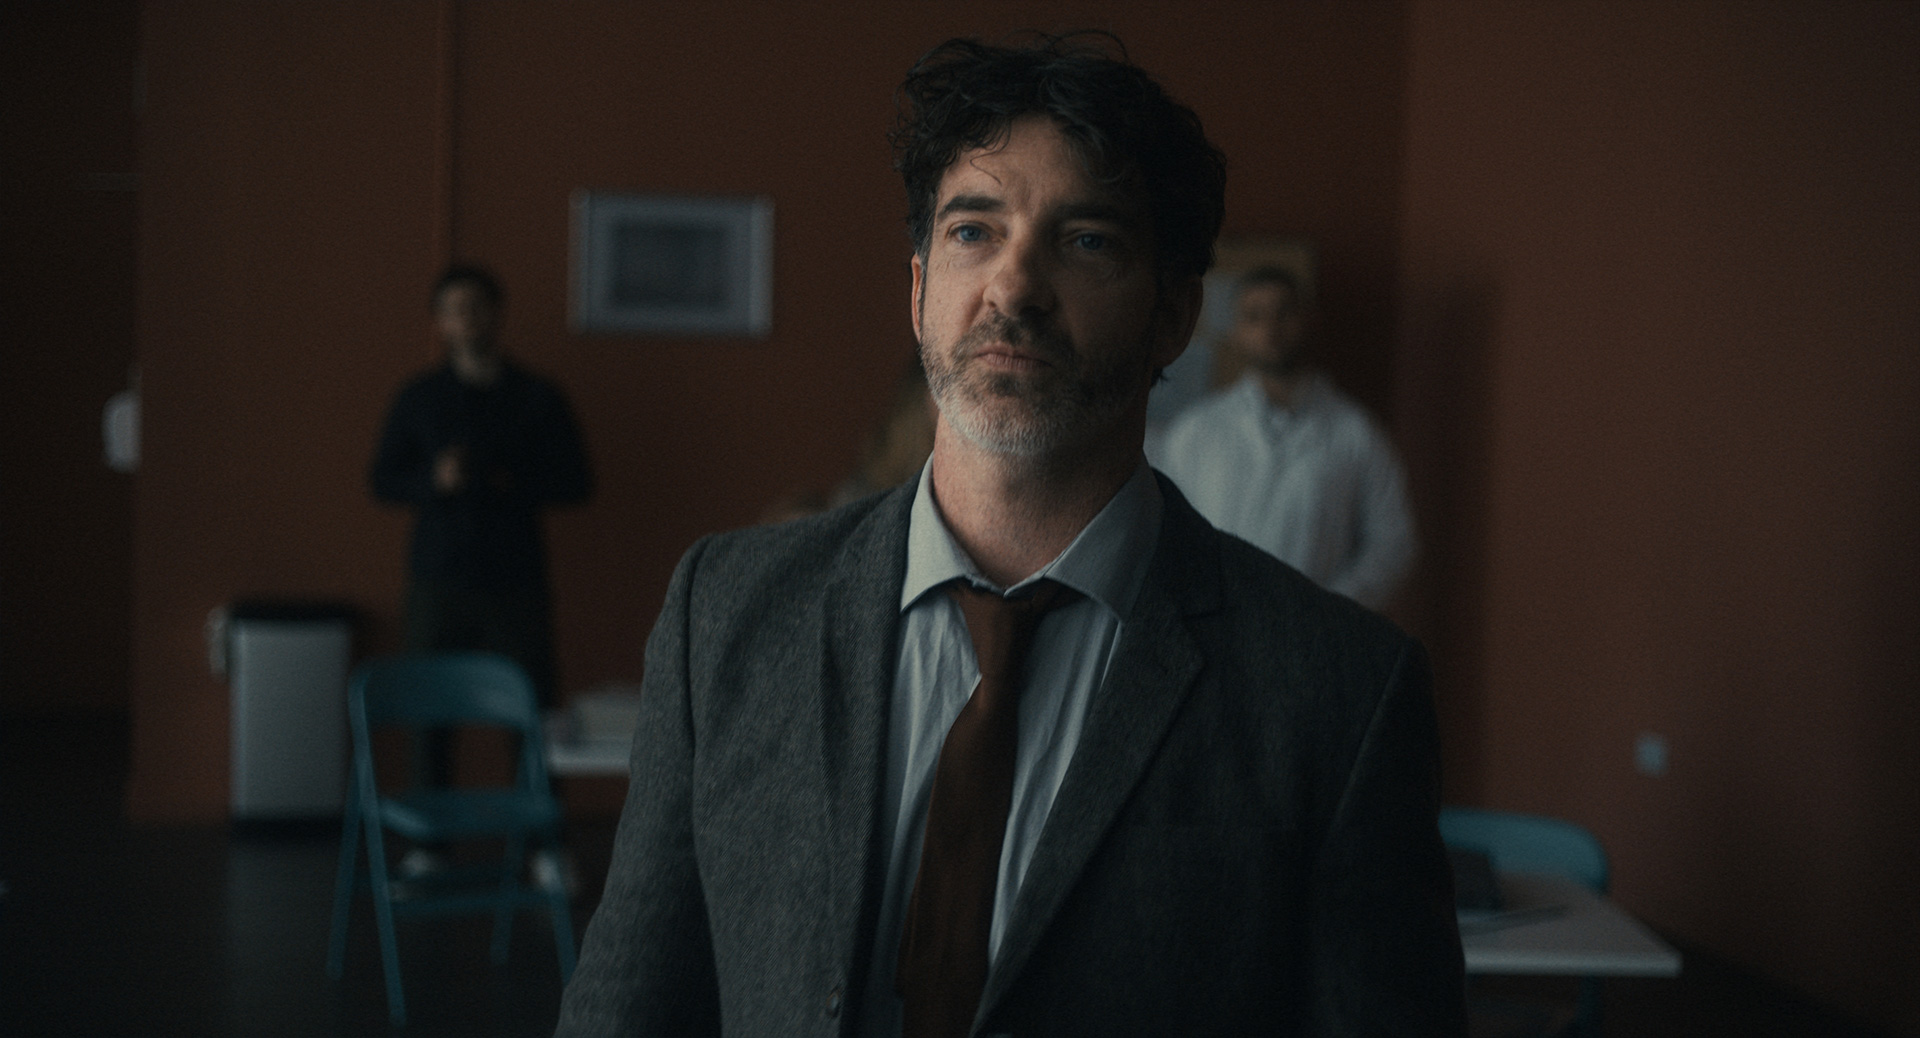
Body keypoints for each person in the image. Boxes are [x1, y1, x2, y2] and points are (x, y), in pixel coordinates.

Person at [556, 34, 1463, 1038]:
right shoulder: (728, 611)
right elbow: (627, 1006)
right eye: (973, 231)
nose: (1015, 286)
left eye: (1086, 241)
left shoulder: (1338, 693)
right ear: (918, 292)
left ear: (1173, 316)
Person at [369, 264, 593, 884]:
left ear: (497, 313)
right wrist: (433, 481)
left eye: (477, 306)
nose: (467, 318)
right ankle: (430, 845)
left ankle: (545, 844)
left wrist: (510, 481)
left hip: (516, 577)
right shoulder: (419, 398)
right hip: (438, 578)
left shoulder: (537, 396)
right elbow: (381, 480)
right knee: (430, 715)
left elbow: (578, 481)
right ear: (440, 322)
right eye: (455, 308)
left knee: (533, 712)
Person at [1151, 266, 1417, 611]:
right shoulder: (1196, 430)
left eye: (1283, 313)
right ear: (1236, 331)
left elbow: (1394, 542)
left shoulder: (1355, 433)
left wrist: (1329, 608)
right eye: (1254, 316)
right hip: (1214, 621)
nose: (1270, 329)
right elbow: (1164, 530)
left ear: (1309, 320)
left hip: (1313, 628)